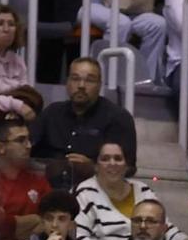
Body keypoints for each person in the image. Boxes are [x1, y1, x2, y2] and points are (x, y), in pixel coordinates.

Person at [76, 142, 188, 240]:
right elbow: (78, 238)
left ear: (126, 165)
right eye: (105, 159)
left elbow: (163, 228)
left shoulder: (143, 190)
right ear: (96, 166)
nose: (112, 163)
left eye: (118, 159)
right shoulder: (85, 192)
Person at [32, 58, 140, 188]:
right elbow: (28, 151)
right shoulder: (51, 113)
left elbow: (129, 168)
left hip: (98, 190)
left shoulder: (118, 118)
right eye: (75, 78)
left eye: (89, 80)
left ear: (100, 85)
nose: (81, 85)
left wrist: (94, 168)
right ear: (67, 82)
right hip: (49, 188)